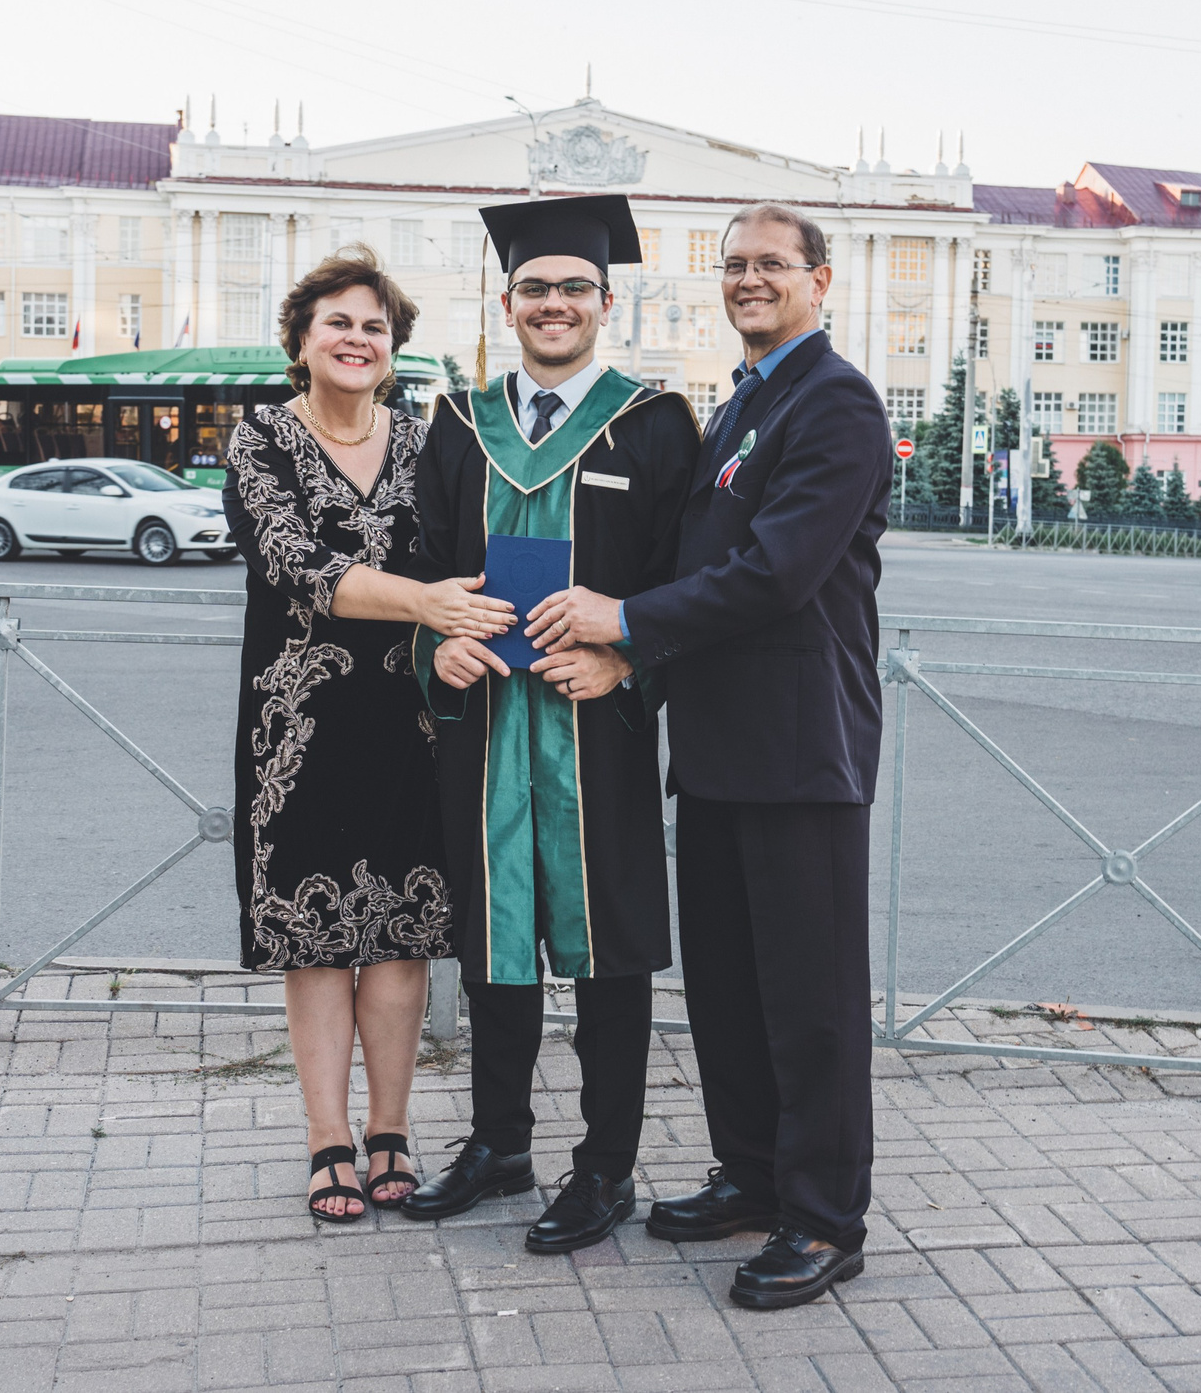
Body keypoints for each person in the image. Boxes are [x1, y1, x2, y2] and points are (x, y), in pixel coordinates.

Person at [532, 201, 890, 1309]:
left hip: (801, 749)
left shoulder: (835, 404)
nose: (748, 281)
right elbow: (702, 558)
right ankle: (749, 1175)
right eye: (734, 266)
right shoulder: (745, 402)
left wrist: (621, 626)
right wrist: (639, 657)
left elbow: (774, 574)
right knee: (732, 991)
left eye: (771, 266)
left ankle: (825, 1220)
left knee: (812, 999)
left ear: (819, 282)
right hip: (724, 748)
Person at [398, 194, 702, 1255]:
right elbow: (421, 574)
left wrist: (625, 659)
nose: (555, 304)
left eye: (575, 288)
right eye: (536, 288)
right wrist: (435, 646)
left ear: (605, 303)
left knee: (606, 954)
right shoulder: (454, 426)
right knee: (495, 949)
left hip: (596, 734)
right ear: (507, 300)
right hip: (483, 733)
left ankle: (606, 1165)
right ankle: (499, 1145)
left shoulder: (653, 425)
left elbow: (690, 584)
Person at [221, 249, 517, 1225]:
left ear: (392, 350)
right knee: (316, 942)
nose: (356, 339)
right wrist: (427, 603)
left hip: (409, 722)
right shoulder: (260, 436)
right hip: (297, 729)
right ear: (301, 341)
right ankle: (327, 1141)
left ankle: (390, 1132)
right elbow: (295, 563)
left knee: (399, 940)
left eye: (375, 327)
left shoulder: (425, 437)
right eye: (338, 323)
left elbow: (458, 548)